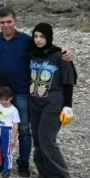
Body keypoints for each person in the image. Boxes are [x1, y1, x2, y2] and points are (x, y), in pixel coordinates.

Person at [0, 8, 72, 177]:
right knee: (0, 126)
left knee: (23, 129)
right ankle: (0, 161)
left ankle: (23, 163)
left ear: (15, 21)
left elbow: (44, 47)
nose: (6, 25)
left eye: (9, 21)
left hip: (21, 91)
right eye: (2, 22)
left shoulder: (26, 40)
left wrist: (64, 52)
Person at [29, 23, 75, 178]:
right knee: (37, 140)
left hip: (53, 104)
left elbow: (68, 81)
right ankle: (44, 172)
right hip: (35, 104)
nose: (38, 40)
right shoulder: (32, 53)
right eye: (35, 36)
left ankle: (61, 175)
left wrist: (68, 106)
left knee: (47, 140)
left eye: (42, 36)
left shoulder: (59, 55)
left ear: (49, 37)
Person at [0, 85, 20, 178]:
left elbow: (15, 124)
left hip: (7, 131)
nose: (3, 102)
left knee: (7, 151)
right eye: (1, 99)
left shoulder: (13, 110)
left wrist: (14, 138)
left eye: (5, 100)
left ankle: (7, 169)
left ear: (11, 98)